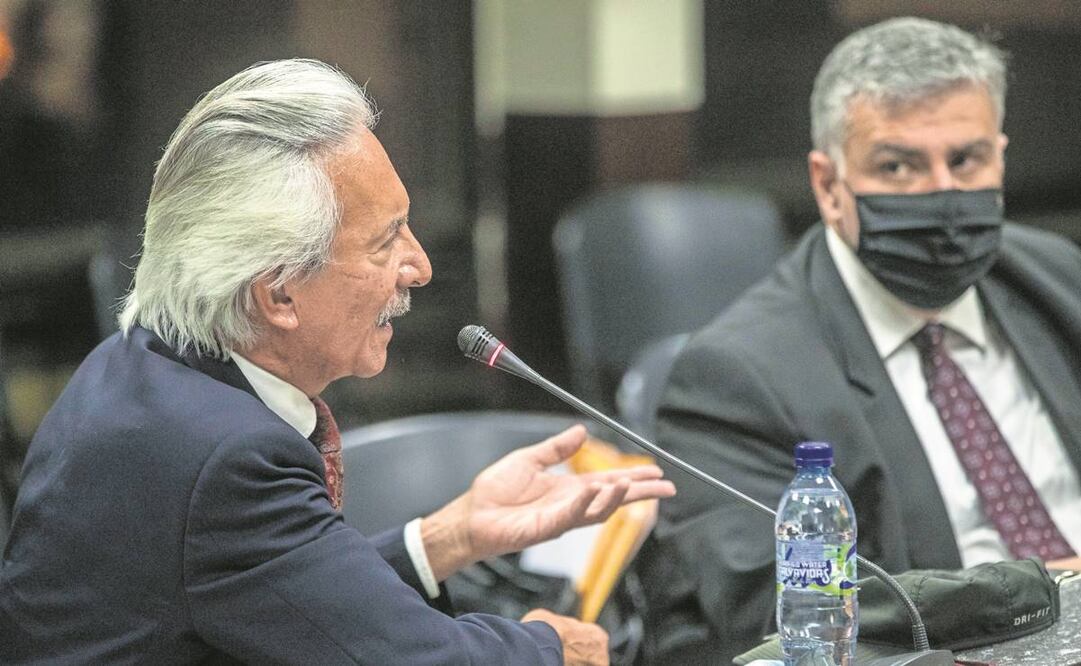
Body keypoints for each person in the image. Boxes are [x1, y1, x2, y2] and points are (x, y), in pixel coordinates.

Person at [0, 59, 676, 665]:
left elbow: (283, 595)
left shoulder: (135, 370)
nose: (420, 265)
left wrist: (450, 536)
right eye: (386, 242)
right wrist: (551, 648)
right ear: (279, 293)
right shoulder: (224, 459)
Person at [638, 16, 1081, 664]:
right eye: (897, 166)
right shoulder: (735, 376)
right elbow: (783, 619)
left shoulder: (1055, 279)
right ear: (828, 185)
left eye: (965, 159)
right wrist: (1049, 585)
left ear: (1000, 156)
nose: (943, 194)